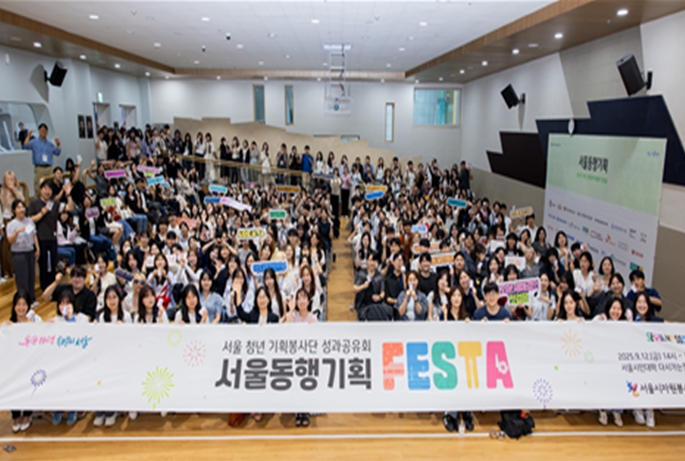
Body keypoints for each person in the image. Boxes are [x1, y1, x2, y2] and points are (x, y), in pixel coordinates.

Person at [3, 289, 40, 432]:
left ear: (28, 306)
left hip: (29, 363)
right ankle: (15, 414)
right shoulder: (8, 325)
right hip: (14, 364)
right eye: (18, 304)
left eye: (24, 304)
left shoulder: (34, 324)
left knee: (29, 387)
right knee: (13, 386)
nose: (21, 308)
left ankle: (27, 414)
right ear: (14, 306)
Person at [28, 179, 74, 291]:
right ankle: (45, 287)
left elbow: (70, 207)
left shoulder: (54, 204)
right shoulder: (34, 203)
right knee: (43, 264)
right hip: (40, 239)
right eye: (45, 188)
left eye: (49, 189)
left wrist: (68, 195)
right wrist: (41, 213)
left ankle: (54, 286)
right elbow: (29, 220)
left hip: (53, 238)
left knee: (54, 263)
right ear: (40, 190)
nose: (47, 191)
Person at [7, 200, 39, 304]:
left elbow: (34, 235)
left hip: (30, 251)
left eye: (23, 207)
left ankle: (32, 299)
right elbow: (10, 241)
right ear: (14, 210)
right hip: (18, 253)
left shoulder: (29, 221)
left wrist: (37, 248)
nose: (22, 209)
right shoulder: (11, 224)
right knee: (22, 278)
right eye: (19, 207)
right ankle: (24, 301)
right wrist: (17, 232)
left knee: (31, 276)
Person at [24, 123, 61, 194]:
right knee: (38, 188)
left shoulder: (50, 144)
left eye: (45, 130)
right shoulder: (34, 142)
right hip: (39, 168)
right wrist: (28, 136)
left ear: (47, 132)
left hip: (49, 168)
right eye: (42, 130)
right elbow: (25, 146)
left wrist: (58, 144)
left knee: (50, 187)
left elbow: (57, 152)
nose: (43, 132)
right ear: (39, 131)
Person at [1, 171, 25, 281]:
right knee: (5, 248)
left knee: (14, 246)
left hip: (14, 219)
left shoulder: (17, 190)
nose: (9, 182)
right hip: (4, 220)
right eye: (7, 180)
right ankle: (6, 272)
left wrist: (14, 189)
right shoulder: (2, 191)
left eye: (11, 179)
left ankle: (15, 270)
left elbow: (22, 200)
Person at [353, 252, 385, 319]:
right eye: (370, 260)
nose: (372, 263)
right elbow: (354, 289)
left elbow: (383, 292)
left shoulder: (380, 276)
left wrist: (379, 297)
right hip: (362, 304)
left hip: (375, 305)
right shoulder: (361, 274)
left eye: (374, 260)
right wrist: (363, 286)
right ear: (367, 261)